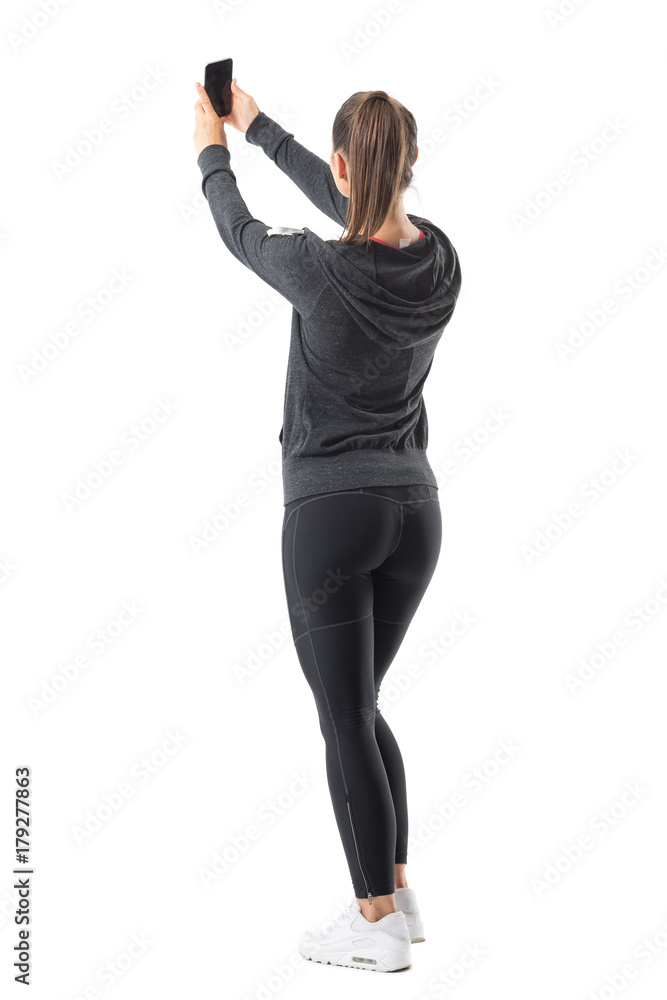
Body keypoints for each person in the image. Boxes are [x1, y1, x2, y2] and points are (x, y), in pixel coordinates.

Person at [193, 78, 462, 973]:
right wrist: (259, 126)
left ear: (345, 166)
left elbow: (237, 230)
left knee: (343, 717)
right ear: (410, 164)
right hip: (415, 516)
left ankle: (374, 920)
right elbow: (362, 207)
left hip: (332, 519)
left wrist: (212, 149)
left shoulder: (317, 269)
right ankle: (397, 891)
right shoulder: (442, 261)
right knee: (361, 708)